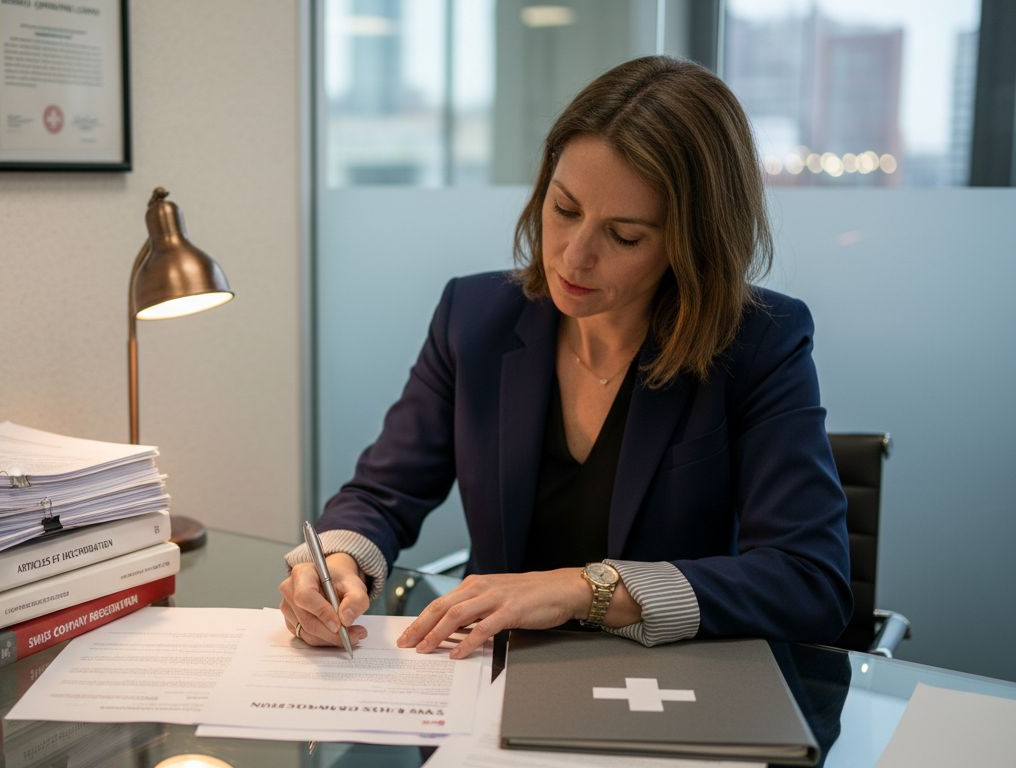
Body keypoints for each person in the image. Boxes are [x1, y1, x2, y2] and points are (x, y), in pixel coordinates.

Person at [280, 55, 852, 660]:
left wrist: (586, 589)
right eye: (565, 209)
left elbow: (809, 582)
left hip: (667, 690)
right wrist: (339, 560)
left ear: (694, 243)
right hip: (485, 678)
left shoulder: (759, 342)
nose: (574, 258)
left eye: (625, 236)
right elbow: (381, 492)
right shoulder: (474, 317)